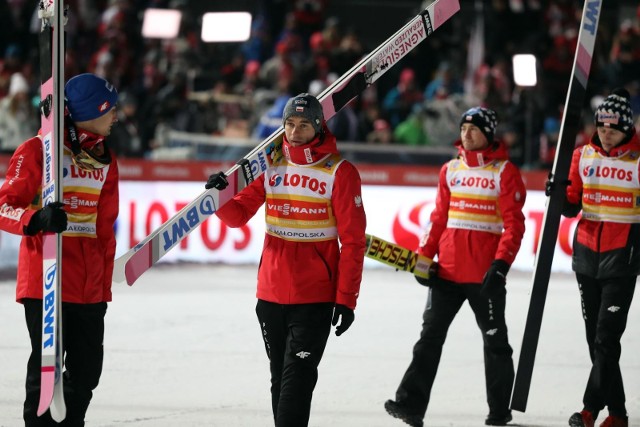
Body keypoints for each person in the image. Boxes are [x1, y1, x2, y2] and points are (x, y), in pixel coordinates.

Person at [205, 92, 367, 427]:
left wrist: (346, 299)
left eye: (303, 125)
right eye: (289, 124)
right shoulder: (271, 166)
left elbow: (352, 243)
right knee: (280, 379)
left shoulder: (340, 172)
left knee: (298, 379)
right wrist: (218, 196)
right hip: (270, 293)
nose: (294, 132)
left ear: (318, 126)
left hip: (315, 297)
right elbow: (237, 217)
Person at [384, 107, 526, 427]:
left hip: (484, 275)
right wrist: (423, 258)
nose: (467, 133)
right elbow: (438, 219)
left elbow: (514, 227)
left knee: (495, 342)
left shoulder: (504, 172)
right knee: (428, 339)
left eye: (474, 129)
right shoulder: (449, 170)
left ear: (488, 135)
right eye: (464, 128)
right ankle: (410, 405)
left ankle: (499, 411)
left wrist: (501, 265)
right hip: (446, 273)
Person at [0, 73, 119, 426]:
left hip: (87, 288)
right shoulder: (38, 150)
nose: (116, 116)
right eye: (109, 109)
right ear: (89, 111)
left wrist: (103, 287)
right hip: (46, 281)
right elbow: (4, 206)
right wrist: (36, 220)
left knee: (86, 374)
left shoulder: (105, 159)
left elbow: (104, 231)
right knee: (46, 370)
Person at [562, 88, 638, 427]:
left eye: (613, 126)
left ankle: (590, 410)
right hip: (586, 256)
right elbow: (570, 204)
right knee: (598, 341)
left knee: (607, 337)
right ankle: (618, 415)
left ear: (627, 128)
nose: (606, 131)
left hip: (623, 259)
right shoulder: (583, 156)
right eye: (602, 125)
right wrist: (557, 192)